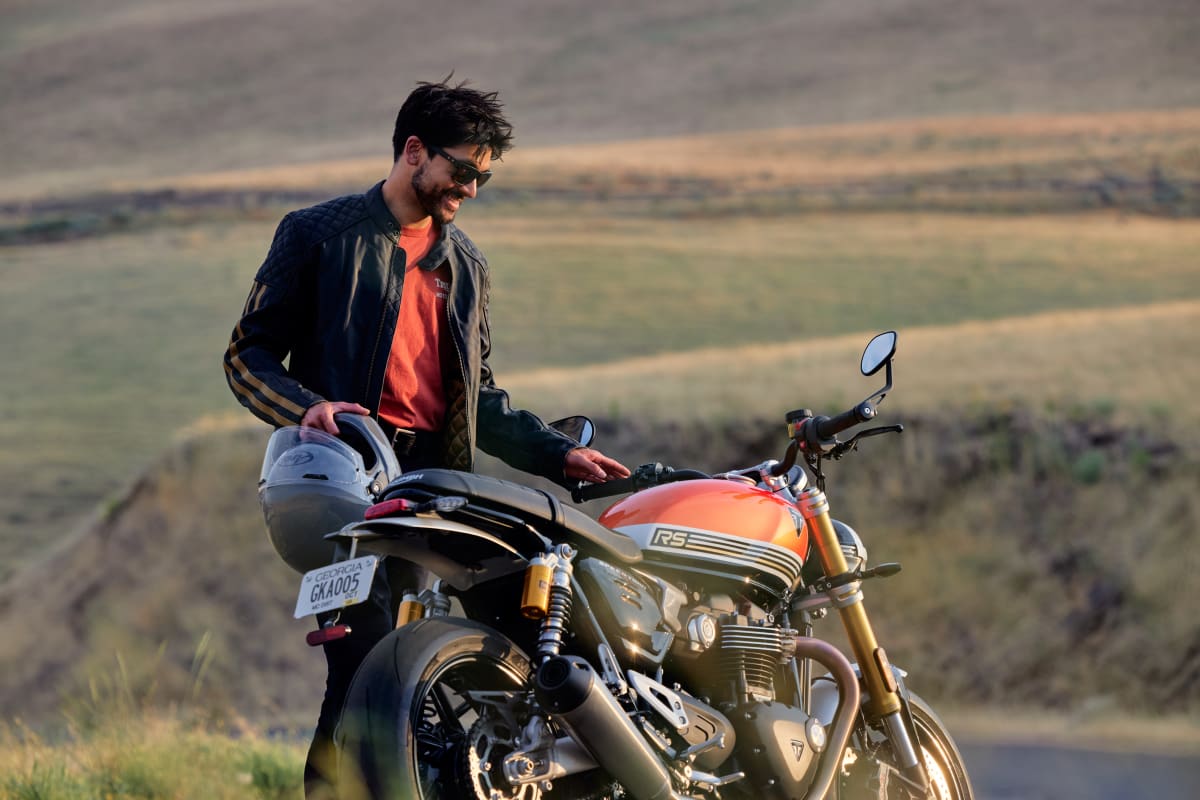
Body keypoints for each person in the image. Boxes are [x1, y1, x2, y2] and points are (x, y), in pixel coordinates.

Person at [222, 79, 630, 797]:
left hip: (431, 488)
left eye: (482, 178)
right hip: (343, 477)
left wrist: (558, 452)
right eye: (462, 170)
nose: (470, 189)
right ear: (414, 151)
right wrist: (307, 408)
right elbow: (246, 357)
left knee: (432, 663)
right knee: (366, 659)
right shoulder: (317, 234)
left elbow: (480, 400)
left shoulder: (466, 266)